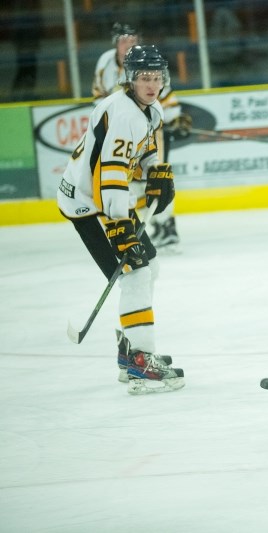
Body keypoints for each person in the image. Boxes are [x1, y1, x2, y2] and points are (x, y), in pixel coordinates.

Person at [58, 44, 184, 395]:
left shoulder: (149, 109)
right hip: (87, 202)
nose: (152, 84)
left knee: (149, 266)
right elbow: (110, 172)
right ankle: (140, 360)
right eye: (144, 77)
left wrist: (155, 172)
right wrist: (118, 224)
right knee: (136, 272)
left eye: (157, 77)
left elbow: (143, 151)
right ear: (130, 78)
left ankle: (130, 346)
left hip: (103, 198)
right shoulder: (122, 112)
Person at [92, 22, 191, 253]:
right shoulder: (105, 63)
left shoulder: (146, 62)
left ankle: (167, 227)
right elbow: (98, 95)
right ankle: (151, 225)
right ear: (116, 43)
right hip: (119, 131)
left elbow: (162, 92)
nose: (129, 43)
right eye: (124, 39)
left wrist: (176, 117)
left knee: (155, 177)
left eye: (133, 38)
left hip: (149, 132)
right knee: (130, 183)